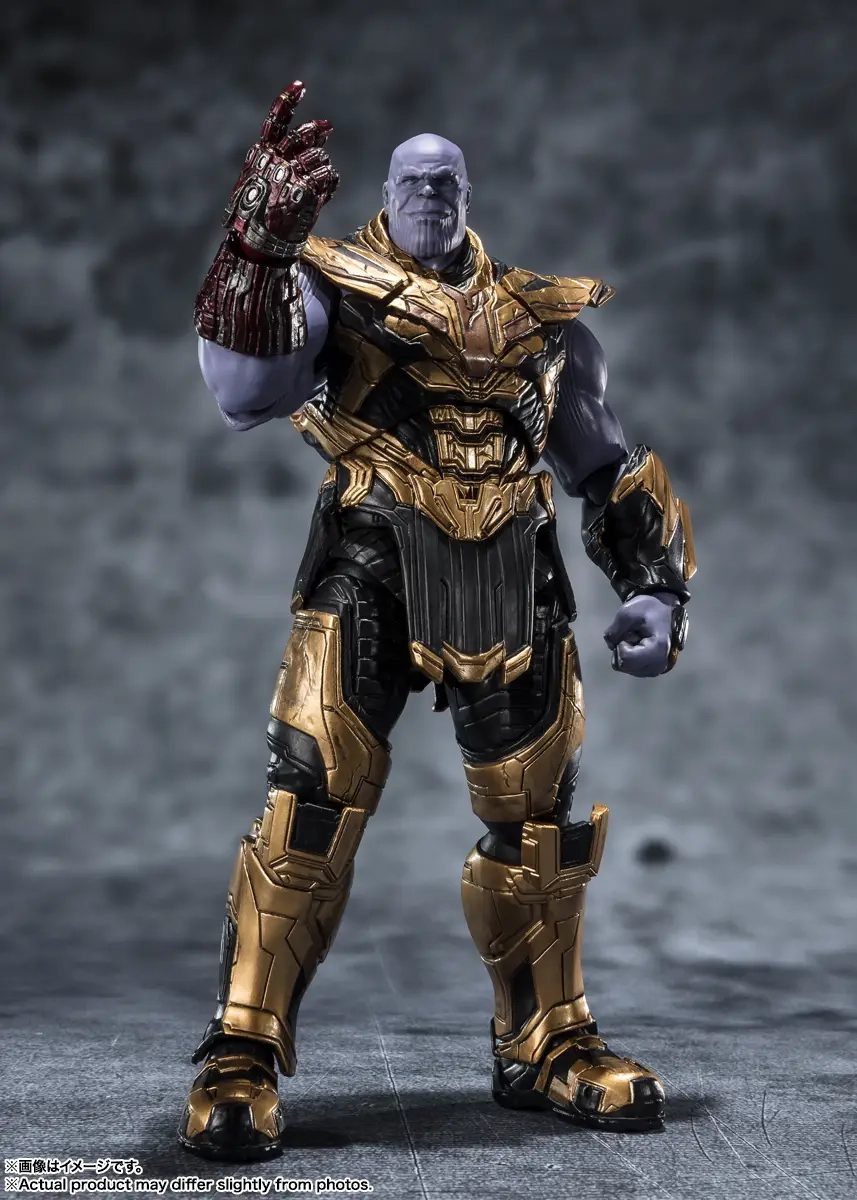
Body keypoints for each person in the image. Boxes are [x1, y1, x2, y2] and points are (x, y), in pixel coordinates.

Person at [177, 81, 696, 1161]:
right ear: (384, 191)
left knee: (539, 821)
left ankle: (548, 1041)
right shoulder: (330, 284)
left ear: (466, 193)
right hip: (372, 555)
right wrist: (257, 251)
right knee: (309, 802)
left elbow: (600, 458)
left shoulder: (539, 318)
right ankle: (242, 1049)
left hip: (512, 563)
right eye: (410, 180)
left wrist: (654, 586)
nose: (426, 195)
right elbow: (244, 393)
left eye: (442, 181)